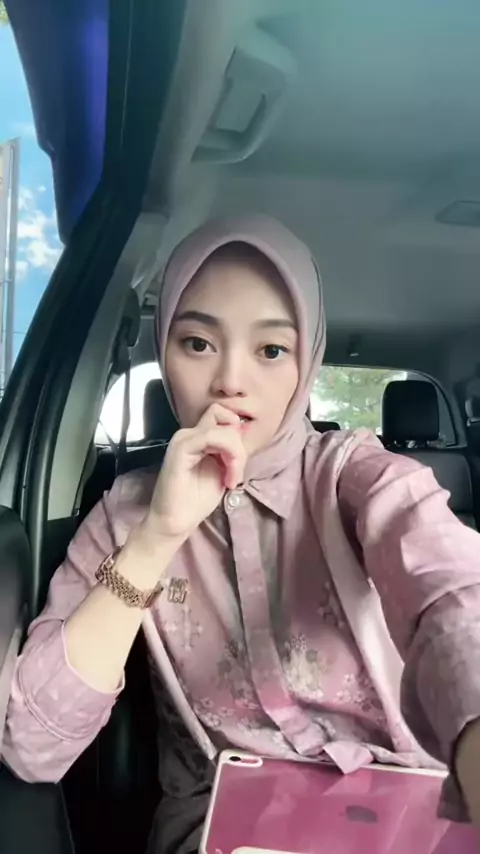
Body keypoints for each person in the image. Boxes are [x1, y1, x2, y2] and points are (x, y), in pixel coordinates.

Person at [3, 214, 480, 852]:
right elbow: (33, 747)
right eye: (198, 342)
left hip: (405, 814)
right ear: (164, 353)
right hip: (218, 824)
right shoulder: (124, 513)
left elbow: (451, 591)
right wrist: (157, 536)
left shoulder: (356, 475)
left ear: (305, 363)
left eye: (271, 350)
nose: (230, 379)